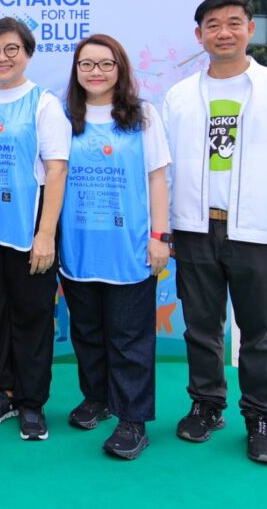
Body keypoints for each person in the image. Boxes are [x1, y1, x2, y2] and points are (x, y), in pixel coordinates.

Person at [163, 0, 267, 464]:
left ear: (250, 29)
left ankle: (261, 418)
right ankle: (207, 406)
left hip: (257, 232)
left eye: (234, 23)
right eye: (213, 25)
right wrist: (167, 229)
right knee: (200, 328)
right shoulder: (180, 96)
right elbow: (165, 170)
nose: (224, 32)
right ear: (199, 36)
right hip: (195, 229)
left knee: (259, 333)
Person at [59, 34, 171, 460]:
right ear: (76, 70)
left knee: (129, 339)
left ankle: (132, 420)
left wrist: (160, 237)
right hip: (79, 248)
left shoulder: (143, 116)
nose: (96, 72)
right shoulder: (63, 117)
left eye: (106, 64)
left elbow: (157, 178)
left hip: (130, 248)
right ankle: (97, 399)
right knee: (87, 333)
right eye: (86, 64)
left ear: (120, 69)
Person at [0, 17, 69, 441]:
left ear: (27, 54)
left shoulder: (44, 103)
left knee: (32, 317)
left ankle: (31, 402)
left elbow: (57, 171)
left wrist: (45, 234)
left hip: (28, 231)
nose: (2, 58)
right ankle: (4, 391)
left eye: (12, 49)